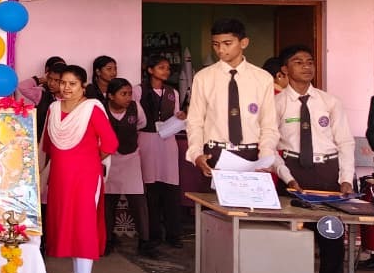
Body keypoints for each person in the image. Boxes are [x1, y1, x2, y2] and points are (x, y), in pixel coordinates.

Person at [272, 45, 354, 273]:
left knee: (332, 246)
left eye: (309, 62)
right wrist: (287, 177)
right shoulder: (277, 104)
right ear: (285, 69)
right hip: (294, 176)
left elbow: (345, 142)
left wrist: (345, 178)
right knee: (292, 245)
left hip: (327, 177)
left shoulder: (329, 102)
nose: (306, 66)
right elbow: (270, 147)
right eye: (298, 62)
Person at [42, 64, 118, 273]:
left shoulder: (91, 109)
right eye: (62, 82)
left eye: (72, 84)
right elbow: (47, 146)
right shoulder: (53, 109)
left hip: (85, 179)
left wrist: (89, 161)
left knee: (84, 230)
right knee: (69, 228)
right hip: (60, 178)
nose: (66, 88)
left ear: (83, 86)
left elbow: (110, 143)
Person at [185, 18, 278, 179]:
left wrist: (265, 157)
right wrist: (196, 154)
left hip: (252, 155)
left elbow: (268, 125)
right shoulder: (203, 78)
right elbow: (195, 122)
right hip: (214, 154)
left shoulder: (263, 79)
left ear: (244, 43)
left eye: (227, 43)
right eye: (216, 44)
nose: (221, 50)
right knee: (213, 197)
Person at [137, 53, 185, 248]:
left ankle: (173, 234)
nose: (166, 71)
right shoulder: (138, 91)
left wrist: (180, 117)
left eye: (167, 68)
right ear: (150, 70)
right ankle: (153, 233)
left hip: (167, 140)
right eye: (161, 67)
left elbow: (176, 114)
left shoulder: (173, 93)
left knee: (170, 186)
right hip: (147, 138)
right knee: (151, 188)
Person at [104, 78, 155, 256]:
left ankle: (145, 242)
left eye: (129, 94)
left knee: (138, 200)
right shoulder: (101, 109)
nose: (128, 98)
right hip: (108, 158)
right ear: (111, 96)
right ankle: (107, 240)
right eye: (123, 94)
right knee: (108, 200)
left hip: (130, 158)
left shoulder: (135, 107)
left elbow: (141, 123)